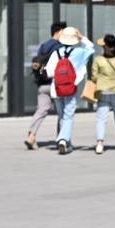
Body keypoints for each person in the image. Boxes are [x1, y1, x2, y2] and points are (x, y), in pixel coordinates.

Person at [44, 26, 95, 155]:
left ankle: (66, 143)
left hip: (56, 88)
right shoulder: (80, 52)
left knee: (62, 116)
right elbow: (91, 48)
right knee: (69, 115)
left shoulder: (56, 53)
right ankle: (63, 140)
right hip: (71, 88)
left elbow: (49, 71)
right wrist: (82, 37)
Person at [25, 21, 67, 150]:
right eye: (64, 32)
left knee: (41, 110)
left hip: (43, 84)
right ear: (59, 32)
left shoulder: (43, 46)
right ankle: (61, 139)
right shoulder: (61, 47)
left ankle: (31, 136)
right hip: (56, 84)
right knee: (62, 113)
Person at [90, 34, 115, 155]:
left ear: (106, 46)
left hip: (103, 92)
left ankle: (100, 143)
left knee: (101, 119)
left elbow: (94, 77)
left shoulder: (98, 60)